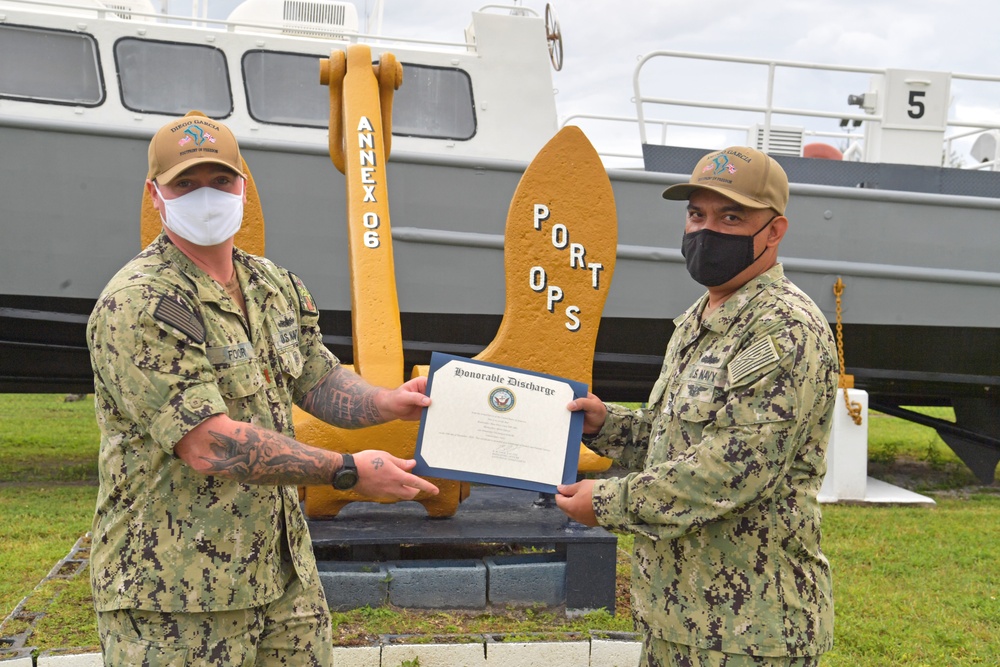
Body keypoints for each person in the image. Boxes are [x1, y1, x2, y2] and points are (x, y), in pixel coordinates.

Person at [87, 111, 439, 666]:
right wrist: (345, 472)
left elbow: (318, 378)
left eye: (220, 180)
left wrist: (387, 402)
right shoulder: (140, 303)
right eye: (186, 183)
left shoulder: (273, 284)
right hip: (176, 595)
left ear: (242, 187)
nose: (207, 196)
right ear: (156, 195)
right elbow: (209, 444)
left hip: (282, 578)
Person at [556, 146, 837, 666]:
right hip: (680, 617)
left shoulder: (783, 327)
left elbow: (734, 468)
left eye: (732, 217)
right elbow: (677, 439)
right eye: (696, 214)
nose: (707, 231)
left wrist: (607, 502)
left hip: (750, 631)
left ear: (774, 231)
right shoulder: (702, 316)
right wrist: (605, 425)